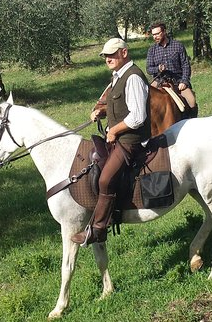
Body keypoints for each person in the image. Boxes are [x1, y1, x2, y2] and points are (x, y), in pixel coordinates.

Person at [71, 37, 151, 246]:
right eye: (105, 55)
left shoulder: (133, 77)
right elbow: (121, 106)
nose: (108, 58)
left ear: (124, 53)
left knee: (105, 180)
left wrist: (114, 130)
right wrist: (102, 111)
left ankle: (98, 229)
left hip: (131, 141)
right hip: (118, 138)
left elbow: (138, 116)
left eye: (112, 54)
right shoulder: (118, 76)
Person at [146, 22, 196, 112]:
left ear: (164, 32)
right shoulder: (152, 50)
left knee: (191, 101)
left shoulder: (178, 46)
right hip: (159, 82)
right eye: (153, 35)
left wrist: (184, 81)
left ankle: (190, 122)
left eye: (157, 34)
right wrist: (158, 69)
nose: (155, 37)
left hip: (177, 82)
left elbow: (185, 65)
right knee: (145, 101)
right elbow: (149, 69)